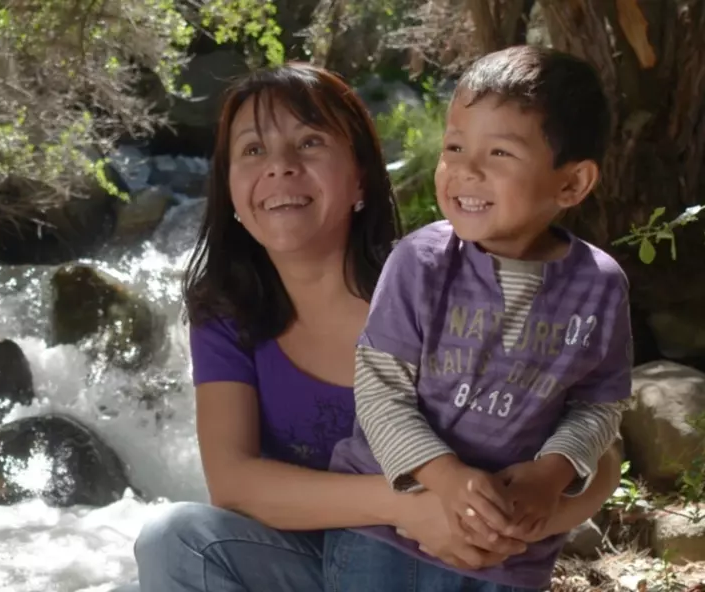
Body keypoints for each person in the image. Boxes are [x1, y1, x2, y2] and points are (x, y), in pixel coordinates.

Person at [133, 61, 622, 592]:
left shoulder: (435, 279)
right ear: (228, 189)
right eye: (252, 151)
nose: (279, 167)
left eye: (309, 142)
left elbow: (600, 446)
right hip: (311, 561)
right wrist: (410, 506)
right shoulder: (227, 313)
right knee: (174, 539)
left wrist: (507, 522)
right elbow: (233, 485)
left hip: (462, 560)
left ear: (362, 176)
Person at [323, 46, 631, 592]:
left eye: (499, 154)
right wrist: (444, 476)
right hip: (385, 535)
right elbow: (380, 391)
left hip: (510, 551)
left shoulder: (599, 286)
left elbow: (598, 404)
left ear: (572, 184)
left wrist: (551, 473)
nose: (464, 170)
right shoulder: (418, 263)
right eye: (455, 147)